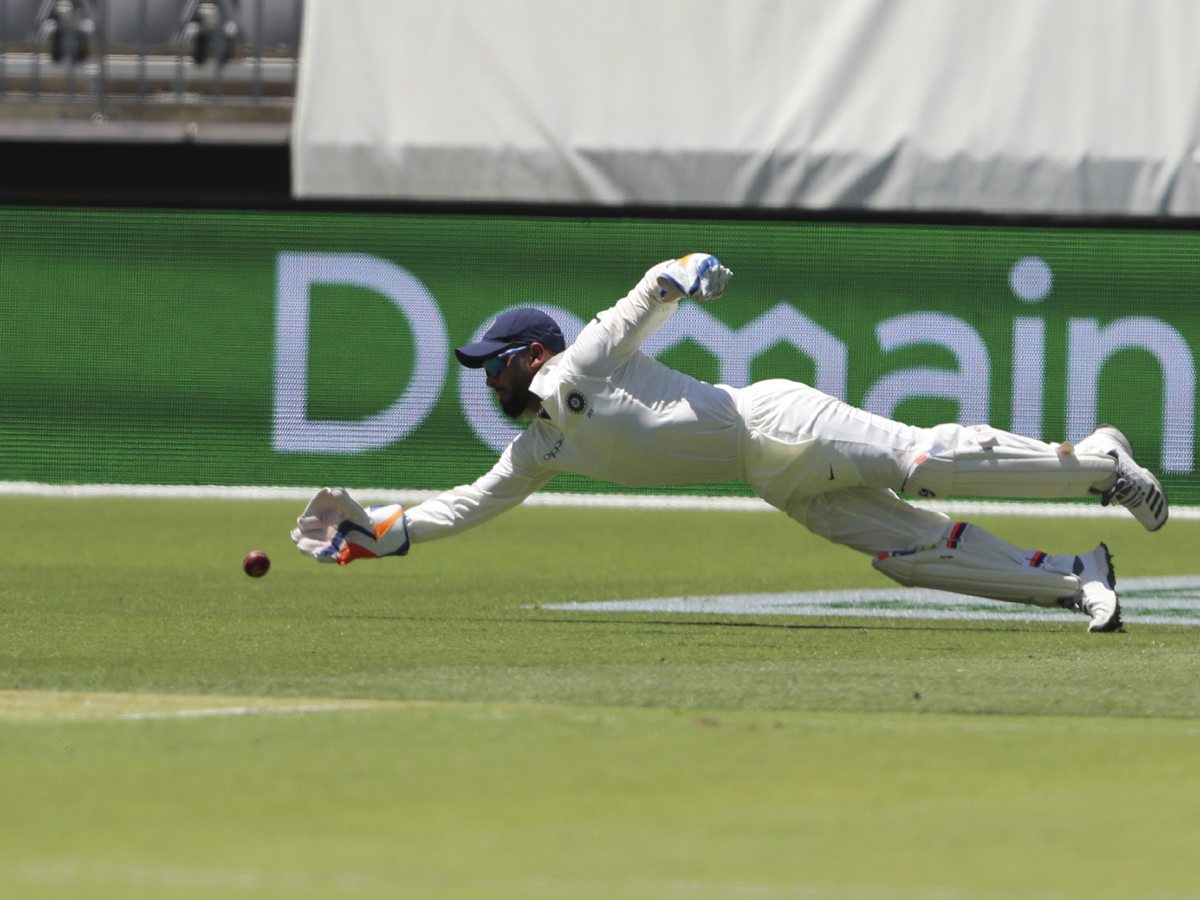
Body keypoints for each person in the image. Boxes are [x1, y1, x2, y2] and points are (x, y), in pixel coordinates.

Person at [292, 254, 1169, 632]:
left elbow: (643, 296)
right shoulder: (538, 451)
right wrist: (373, 533)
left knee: (925, 460)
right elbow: (464, 505)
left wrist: (687, 272)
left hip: (776, 420)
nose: (488, 383)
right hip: (774, 481)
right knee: (909, 554)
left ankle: (1098, 460)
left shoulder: (579, 366)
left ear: (531, 355)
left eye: (494, 367)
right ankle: (1076, 581)